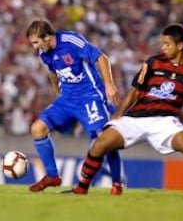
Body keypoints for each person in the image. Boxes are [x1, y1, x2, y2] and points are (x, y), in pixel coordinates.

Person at [64, 23, 183, 199]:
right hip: (136, 118)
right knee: (99, 145)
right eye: (162, 44)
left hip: (165, 121)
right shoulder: (154, 63)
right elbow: (134, 91)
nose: (163, 47)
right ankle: (81, 188)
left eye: (167, 44)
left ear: (180, 46)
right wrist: (118, 116)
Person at [25, 17, 124, 195]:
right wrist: (58, 94)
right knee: (37, 129)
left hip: (89, 96)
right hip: (67, 99)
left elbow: (102, 58)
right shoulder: (43, 52)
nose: (35, 47)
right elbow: (53, 73)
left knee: (105, 139)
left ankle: (117, 183)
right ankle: (53, 176)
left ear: (47, 37)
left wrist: (109, 85)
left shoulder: (71, 41)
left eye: (36, 42)